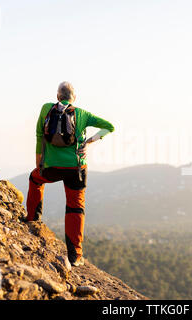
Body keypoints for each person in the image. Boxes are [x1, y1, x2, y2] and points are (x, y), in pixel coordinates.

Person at [25, 81, 114, 267]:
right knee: (75, 207)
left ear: (57, 96)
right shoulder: (82, 114)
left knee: (35, 179)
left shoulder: (46, 109)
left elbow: (39, 134)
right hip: (77, 169)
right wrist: (90, 141)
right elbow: (109, 126)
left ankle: (33, 219)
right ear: (75, 98)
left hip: (51, 168)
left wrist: (39, 160)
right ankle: (75, 256)